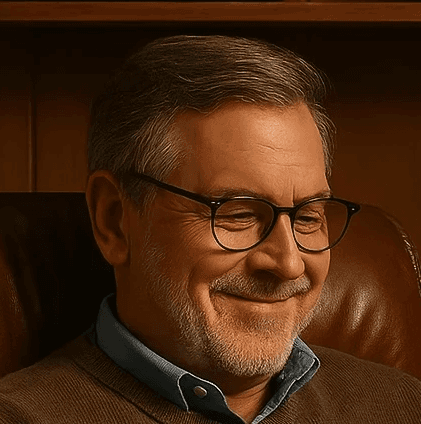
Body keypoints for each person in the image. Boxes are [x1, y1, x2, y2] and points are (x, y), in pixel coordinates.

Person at [0, 35, 420, 424]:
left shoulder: (404, 405)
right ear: (114, 220)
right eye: (238, 213)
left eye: (308, 216)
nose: (289, 264)